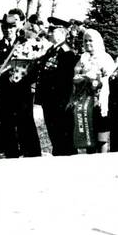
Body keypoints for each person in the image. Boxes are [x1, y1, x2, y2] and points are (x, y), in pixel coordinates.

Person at [35, 21, 78, 156]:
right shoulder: (51, 50)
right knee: (54, 134)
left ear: (61, 33)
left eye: (52, 30)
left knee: (63, 136)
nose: (49, 32)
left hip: (60, 101)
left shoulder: (66, 51)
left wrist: (65, 101)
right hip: (49, 100)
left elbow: (66, 80)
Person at [69, 29, 115, 154]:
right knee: (88, 132)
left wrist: (96, 78)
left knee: (101, 136)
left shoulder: (106, 57)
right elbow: (76, 74)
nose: (88, 43)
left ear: (98, 42)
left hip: (100, 100)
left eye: (91, 40)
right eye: (85, 41)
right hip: (84, 100)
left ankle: (103, 159)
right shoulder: (82, 58)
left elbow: (108, 77)